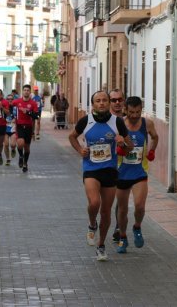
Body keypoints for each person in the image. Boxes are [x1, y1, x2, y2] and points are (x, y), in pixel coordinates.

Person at [68, 91, 133, 262]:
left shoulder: (117, 122)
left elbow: (129, 148)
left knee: (105, 212)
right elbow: (72, 136)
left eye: (105, 100)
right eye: (98, 101)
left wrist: (122, 144)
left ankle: (101, 244)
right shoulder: (85, 121)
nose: (102, 103)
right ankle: (91, 224)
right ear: (93, 104)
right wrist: (80, 150)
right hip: (91, 168)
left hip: (110, 170)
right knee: (94, 202)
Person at [115, 96, 158, 254]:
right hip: (121, 173)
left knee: (139, 206)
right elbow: (111, 144)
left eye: (138, 112)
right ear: (126, 109)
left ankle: (137, 227)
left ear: (141, 110)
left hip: (140, 172)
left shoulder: (147, 123)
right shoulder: (119, 124)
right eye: (131, 112)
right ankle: (123, 237)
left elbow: (155, 137)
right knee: (122, 209)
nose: (134, 115)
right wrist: (118, 147)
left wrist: (152, 150)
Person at [108, 89, 126, 243]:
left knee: (121, 199)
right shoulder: (105, 121)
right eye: (113, 100)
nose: (117, 102)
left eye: (120, 99)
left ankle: (119, 227)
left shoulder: (129, 120)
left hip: (127, 165)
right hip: (110, 165)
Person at [11, 84, 39, 173]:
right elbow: (10, 107)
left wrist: (28, 112)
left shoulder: (33, 103)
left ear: (30, 92)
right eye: (25, 90)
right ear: (22, 92)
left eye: (28, 90)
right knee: (20, 143)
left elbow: (36, 116)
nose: (26, 91)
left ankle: (25, 163)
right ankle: (20, 156)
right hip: (19, 125)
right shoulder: (17, 101)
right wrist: (11, 116)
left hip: (29, 127)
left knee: (27, 148)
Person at [4, 94, 17, 165]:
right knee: (6, 145)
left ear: (13, 100)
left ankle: (13, 149)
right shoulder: (3, 108)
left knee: (13, 144)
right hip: (5, 129)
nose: (10, 100)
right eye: (8, 99)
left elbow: (19, 117)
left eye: (11, 99)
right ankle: (8, 159)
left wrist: (16, 119)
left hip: (13, 128)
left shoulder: (15, 108)